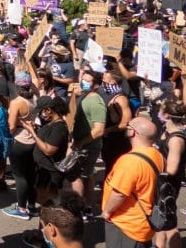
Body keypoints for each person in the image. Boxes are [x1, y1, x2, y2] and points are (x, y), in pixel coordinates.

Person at [102, 116, 164, 248]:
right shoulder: (157, 155)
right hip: (144, 223)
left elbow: (119, 193)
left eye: (128, 126)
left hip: (126, 225)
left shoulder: (130, 162)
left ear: (133, 132)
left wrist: (106, 212)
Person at [69, 70, 106, 220]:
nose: (83, 82)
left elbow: (99, 130)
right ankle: (87, 207)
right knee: (87, 175)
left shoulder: (96, 102)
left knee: (78, 176)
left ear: (96, 85)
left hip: (88, 147)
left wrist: (79, 143)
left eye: (87, 80)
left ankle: (79, 209)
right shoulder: (85, 96)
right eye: (82, 79)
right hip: (82, 144)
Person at [4, 77, 38, 220]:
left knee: (19, 176)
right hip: (32, 139)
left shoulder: (16, 102)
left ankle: (22, 208)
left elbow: (11, 126)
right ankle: (31, 206)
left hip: (19, 140)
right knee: (31, 175)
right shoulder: (35, 98)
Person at [153, 100, 186, 248]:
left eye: (160, 111)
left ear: (166, 115)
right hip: (160, 182)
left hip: (168, 185)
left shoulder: (176, 140)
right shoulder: (167, 130)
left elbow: (171, 169)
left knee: (169, 223)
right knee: (159, 219)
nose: (158, 114)